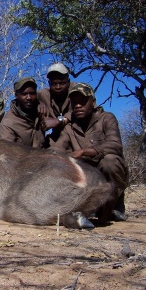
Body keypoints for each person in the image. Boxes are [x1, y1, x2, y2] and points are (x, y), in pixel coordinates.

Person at [54, 82, 129, 222]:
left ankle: (113, 205)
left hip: (107, 176)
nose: (78, 106)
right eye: (74, 103)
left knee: (110, 162)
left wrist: (83, 152)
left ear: (93, 102)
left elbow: (115, 145)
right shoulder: (69, 127)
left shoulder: (107, 118)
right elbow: (58, 148)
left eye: (83, 102)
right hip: (87, 180)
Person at [0, 77, 46, 148]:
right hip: (21, 158)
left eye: (32, 93)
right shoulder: (8, 124)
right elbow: (7, 152)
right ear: (16, 95)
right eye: (24, 94)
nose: (29, 98)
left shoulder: (43, 109)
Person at [37, 62, 75, 147]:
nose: (58, 87)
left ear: (68, 82)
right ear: (49, 83)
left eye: (62, 83)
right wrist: (37, 104)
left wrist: (60, 120)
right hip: (57, 137)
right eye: (54, 84)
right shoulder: (42, 94)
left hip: (78, 134)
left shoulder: (77, 90)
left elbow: (91, 109)